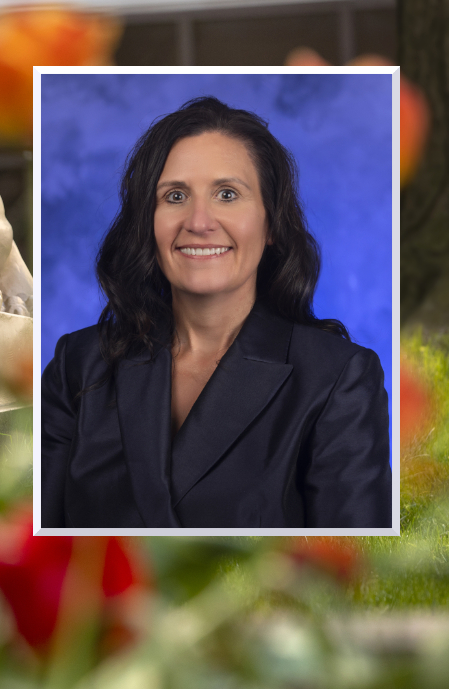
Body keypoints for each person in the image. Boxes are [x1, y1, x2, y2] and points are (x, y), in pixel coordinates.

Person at [41, 96, 390, 529]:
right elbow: (36, 551)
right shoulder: (77, 366)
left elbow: (352, 576)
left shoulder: (338, 378)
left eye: (227, 194)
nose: (199, 221)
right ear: (147, 223)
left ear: (272, 226)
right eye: (175, 196)